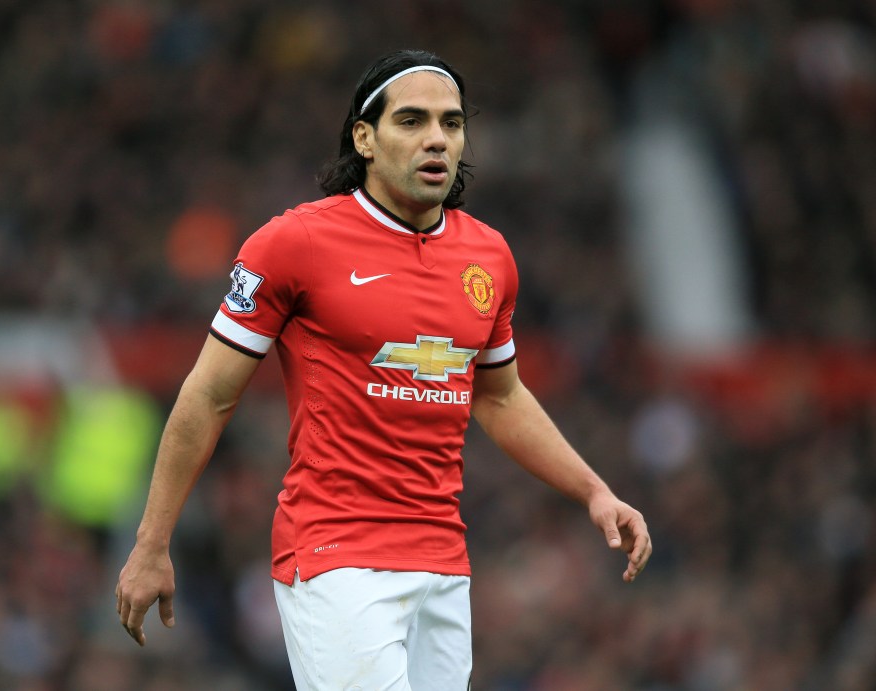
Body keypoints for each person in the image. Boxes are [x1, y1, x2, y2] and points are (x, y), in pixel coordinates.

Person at [116, 48, 651, 690]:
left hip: (444, 563)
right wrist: (152, 544)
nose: (436, 139)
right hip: (336, 556)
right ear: (364, 138)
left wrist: (593, 489)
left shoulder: (489, 257)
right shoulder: (295, 244)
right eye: (412, 121)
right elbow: (208, 397)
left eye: (451, 124)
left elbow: (501, 397)